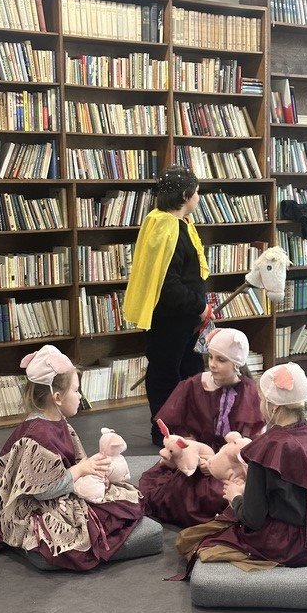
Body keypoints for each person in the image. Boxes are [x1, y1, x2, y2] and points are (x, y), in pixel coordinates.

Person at [0, 345, 144, 571]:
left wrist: (91, 470)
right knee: (99, 520)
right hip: (39, 504)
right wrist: (80, 471)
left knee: (122, 499)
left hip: (60, 490)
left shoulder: (57, 422)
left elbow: (72, 460)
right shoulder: (39, 435)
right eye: (76, 391)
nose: (80, 396)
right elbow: (44, 490)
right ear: (57, 397)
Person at [176, 362, 307, 570]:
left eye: (261, 399)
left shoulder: (267, 448)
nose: (259, 404)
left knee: (193, 539)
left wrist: (235, 497)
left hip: (289, 545)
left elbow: (252, 518)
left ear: (274, 407)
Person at [139, 328, 264, 527]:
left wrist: (220, 463)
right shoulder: (195, 385)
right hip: (197, 458)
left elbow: (249, 444)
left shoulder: (250, 393)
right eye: (211, 357)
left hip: (231, 464)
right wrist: (197, 457)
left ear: (237, 364)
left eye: (221, 360)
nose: (212, 364)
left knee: (224, 495)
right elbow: (182, 429)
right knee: (183, 495)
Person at [123, 164, 212, 446]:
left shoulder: (177, 223)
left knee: (190, 372)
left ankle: (185, 426)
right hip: (171, 319)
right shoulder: (165, 227)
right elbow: (168, 284)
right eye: (196, 192)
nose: (198, 198)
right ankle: (164, 431)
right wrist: (199, 306)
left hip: (185, 318)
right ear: (185, 195)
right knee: (166, 374)